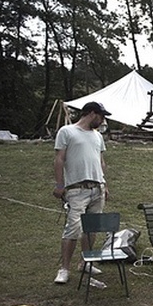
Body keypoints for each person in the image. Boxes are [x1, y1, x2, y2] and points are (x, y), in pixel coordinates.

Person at [52, 101, 111, 287]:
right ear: (92, 113)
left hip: (97, 188)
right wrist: (60, 184)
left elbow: (100, 162)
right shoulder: (67, 131)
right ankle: (64, 269)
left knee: (92, 228)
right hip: (77, 188)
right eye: (101, 116)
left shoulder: (97, 136)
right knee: (73, 229)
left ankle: (86, 262)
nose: (102, 121)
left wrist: (104, 183)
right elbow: (59, 159)